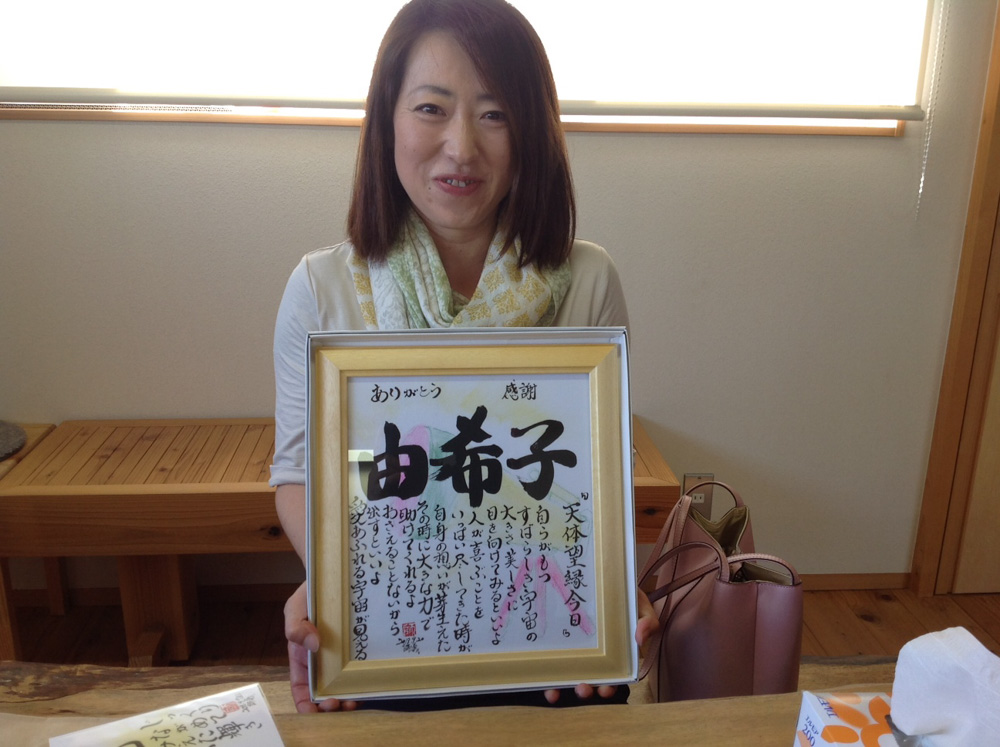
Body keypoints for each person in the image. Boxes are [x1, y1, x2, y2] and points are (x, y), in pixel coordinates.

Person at [270, 0, 657, 714]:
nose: (461, 147)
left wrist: (606, 587)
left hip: (547, 634)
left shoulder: (588, 279)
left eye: (495, 114)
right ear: (386, 119)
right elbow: (298, 476)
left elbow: (599, 475)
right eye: (431, 108)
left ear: (532, 132)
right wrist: (337, 580)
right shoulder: (322, 288)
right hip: (392, 628)